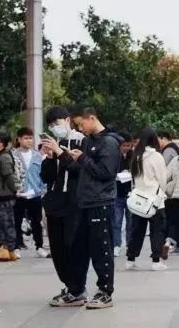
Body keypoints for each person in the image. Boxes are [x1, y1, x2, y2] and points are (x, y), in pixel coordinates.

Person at [67, 107, 121, 309]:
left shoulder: (109, 142)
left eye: (81, 124)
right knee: (78, 248)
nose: (80, 129)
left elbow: (106, 172)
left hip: (101, 202)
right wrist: (65, 156)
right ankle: (76, 290)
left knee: (101, 248)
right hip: (85, 201)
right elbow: (81, 169)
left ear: (92, 118)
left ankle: (105, 291)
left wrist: (83, 158)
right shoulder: (88, 141)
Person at [39, 107, 83, 303]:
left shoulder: (81, 140)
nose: (54, 128)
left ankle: (77, 288)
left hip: (73, 201)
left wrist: (60, 152)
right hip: (54, 201)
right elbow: (46, 177)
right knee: (57, 248)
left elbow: (78, 170)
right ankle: (69, 286)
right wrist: (50, 157)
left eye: (56, 123)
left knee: (71, 246)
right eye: (50, 125)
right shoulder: (52, 143)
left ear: (67, 120)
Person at [125, 128, 170, 272]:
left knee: (136, 230)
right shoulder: (156, 156)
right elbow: (162, 179)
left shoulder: (136, 156)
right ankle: (156, 261)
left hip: (138, 198)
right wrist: (162, 193)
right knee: (157, 230)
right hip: (155, 200)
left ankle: (130, 259)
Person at [12, 127, 47, 257]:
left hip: (34, 193)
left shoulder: (37, 155)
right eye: (26, 138)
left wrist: (42, 189)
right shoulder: (13, 155)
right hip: (18, 193)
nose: (29, 141)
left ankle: (39, 247)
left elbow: (42, 174)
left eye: (30, 138)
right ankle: (16, 247)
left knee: (36, 221)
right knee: (16, 221)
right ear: (19, 139)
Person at [0, 131, 17, 261]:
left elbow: (8, 175)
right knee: (2, 223)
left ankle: (9, 250)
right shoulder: (0, 156)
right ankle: (5, 250)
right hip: (1, 195)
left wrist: (14, 190)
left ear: (2, 144)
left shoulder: (4, 157)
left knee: (6, 223)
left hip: (4, 196)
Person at [112, 133, 133, 256]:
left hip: (131, 194)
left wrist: (130, 172)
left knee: (131, 222)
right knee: (116, 222)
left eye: (128, 145)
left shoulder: (134, 156)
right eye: (124, 145)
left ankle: (130, 245)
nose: (126, 148)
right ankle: (117, 244)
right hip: (117, 193)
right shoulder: (114, 156)